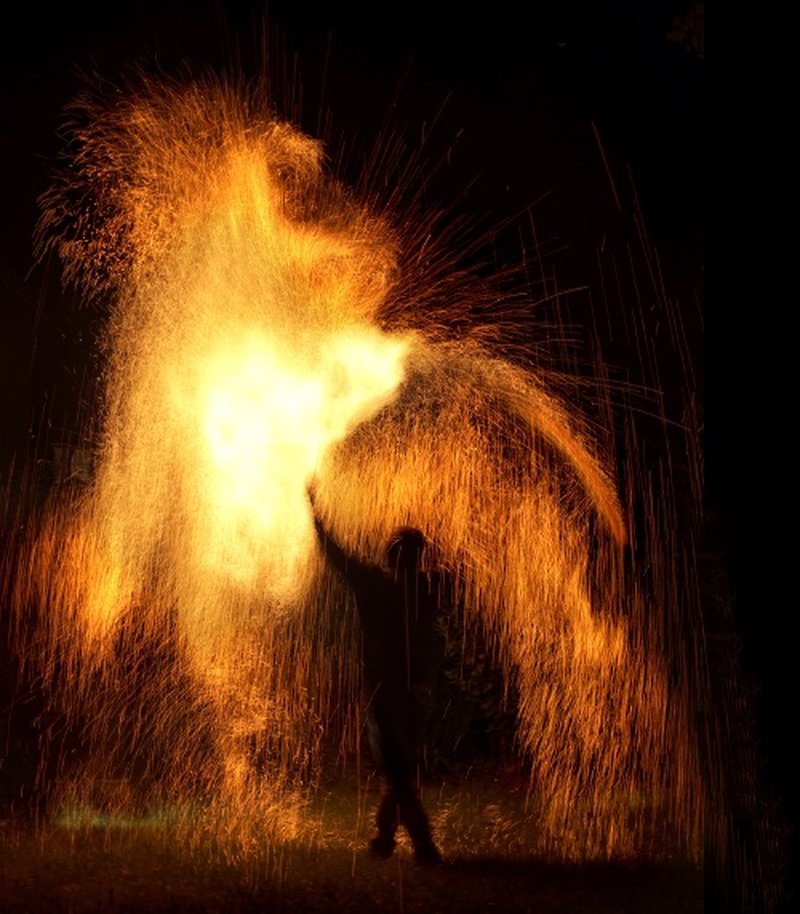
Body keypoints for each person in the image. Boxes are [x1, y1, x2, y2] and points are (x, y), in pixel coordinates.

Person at [309, 494, 445, 866]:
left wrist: (316, 510)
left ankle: (409, 845)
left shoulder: (374, 585)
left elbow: (335, 553)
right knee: (399, 770)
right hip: (413, 695)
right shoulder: (429, 588)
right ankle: (400, 843)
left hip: (386, 697)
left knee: (398, 773)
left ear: (389, 554)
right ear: (419, 556)